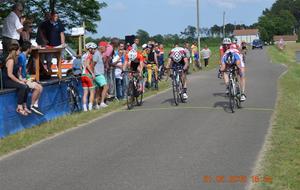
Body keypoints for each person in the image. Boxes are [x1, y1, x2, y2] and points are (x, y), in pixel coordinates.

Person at [2, 43, 30, 116]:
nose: (20, 52)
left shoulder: (16, 60)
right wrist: (19, 82)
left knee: (26, 86)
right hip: (7, 81)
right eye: (19, 50)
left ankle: (24, 105)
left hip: (13, 80)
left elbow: (18, 73)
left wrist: (22, 80)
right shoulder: (10, 60)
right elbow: (10, 75)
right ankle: (19, 107)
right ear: (15, 51)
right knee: (22, 86)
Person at [18, 41, 44, 115]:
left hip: (25, 77)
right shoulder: (21, 57)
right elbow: (18, 70)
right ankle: (32, 105)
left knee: (41, 87)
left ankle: (35, 105)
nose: (31, 50)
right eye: (31, 48)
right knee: (37, 88)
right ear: (28, 48)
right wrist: (22, 80)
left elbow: (24, 71)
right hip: (22, 79)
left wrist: (29, 78)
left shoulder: (24, 56)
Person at [81, 42, 97, 111]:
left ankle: (85, 108)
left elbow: (81, 66)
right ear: (90, 49)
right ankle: (90, 108)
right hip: (88, 75)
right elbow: (87, 65)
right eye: (94, 49)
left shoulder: (83, 56)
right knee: (92, 92)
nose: (95, 50)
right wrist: (92, 73)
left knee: (85, 93)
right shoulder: (90, 55)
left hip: (83, 75)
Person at [93, 42, 109, 109]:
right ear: (102, 47)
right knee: (106, 87)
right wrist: (93, 73)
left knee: (98, 90)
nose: (106, 49)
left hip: (98, 74)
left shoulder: (99, 54)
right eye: (106, 47)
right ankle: (102, 102)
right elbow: (93, 64)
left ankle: (96, 104)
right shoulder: (97, 54)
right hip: (98, 74)